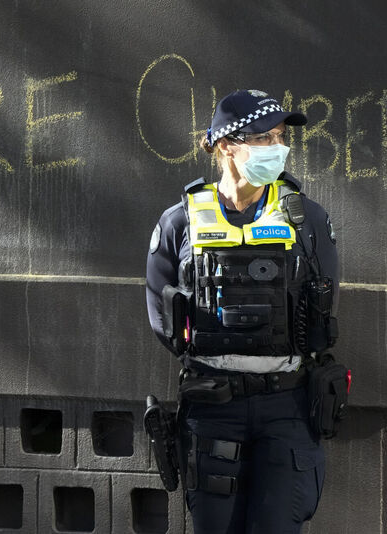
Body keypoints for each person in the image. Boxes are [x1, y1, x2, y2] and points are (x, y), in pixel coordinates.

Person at [145, 89, 340, 533]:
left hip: (287, 406)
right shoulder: (180, 222)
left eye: (279, 137)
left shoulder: (306, 218)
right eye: (263, 138)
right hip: (213, 407)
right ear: (227, 145)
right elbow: (162, 317)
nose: (277, 148)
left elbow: (323, 304)